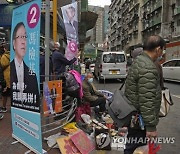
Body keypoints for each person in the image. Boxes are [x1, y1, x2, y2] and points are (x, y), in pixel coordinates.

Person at [124, 35, 166, 154]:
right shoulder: (148, 67)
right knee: (136, 148)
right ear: (158, 49)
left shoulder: (139, 61)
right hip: (140, 120)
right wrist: (151, 127)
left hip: (134, 115)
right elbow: (146, 100)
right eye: (162, 50)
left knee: (132, 146)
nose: (162, 53)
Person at [10, 22, 39, 112]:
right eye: (20, 37)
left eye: (25, 37)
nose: (23, 42)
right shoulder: (10, 68)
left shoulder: (32, 75)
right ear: (14, 43)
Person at [0, 42, 10, 113]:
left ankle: (4, 107)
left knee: (5, 94)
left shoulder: (4, 57)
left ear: (5, 49)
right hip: (13, 77)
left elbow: (1, 66)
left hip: (6, 77)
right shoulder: (15, 55)